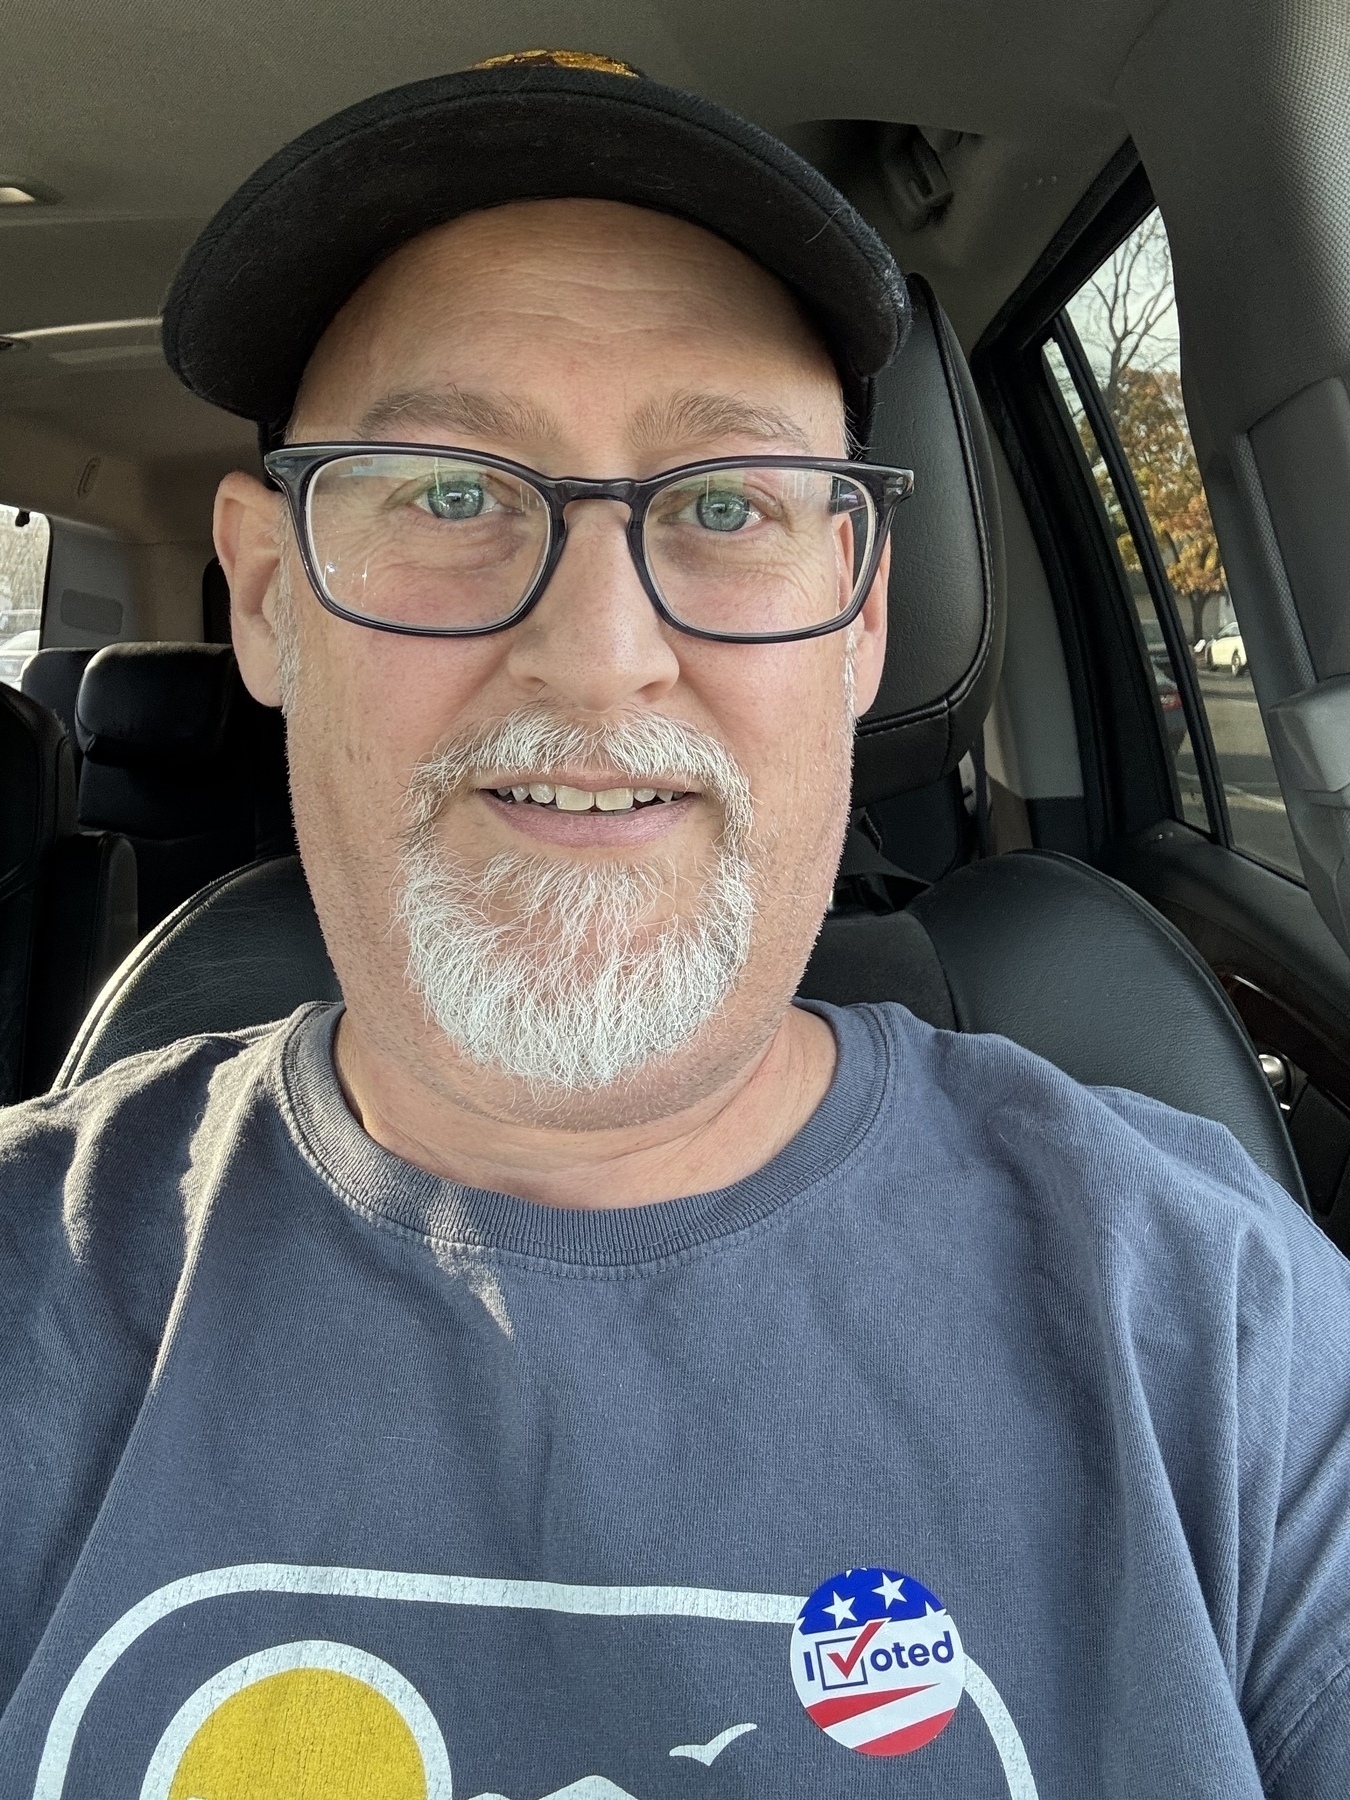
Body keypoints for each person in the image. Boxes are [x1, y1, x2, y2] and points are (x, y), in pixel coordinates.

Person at [1, 53, 1346, 1800]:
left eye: (722, 506)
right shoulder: (33, 1282)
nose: (596, 652)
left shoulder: (1219, 1320)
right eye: (447, 491)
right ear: (268, 597)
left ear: (858, 620)